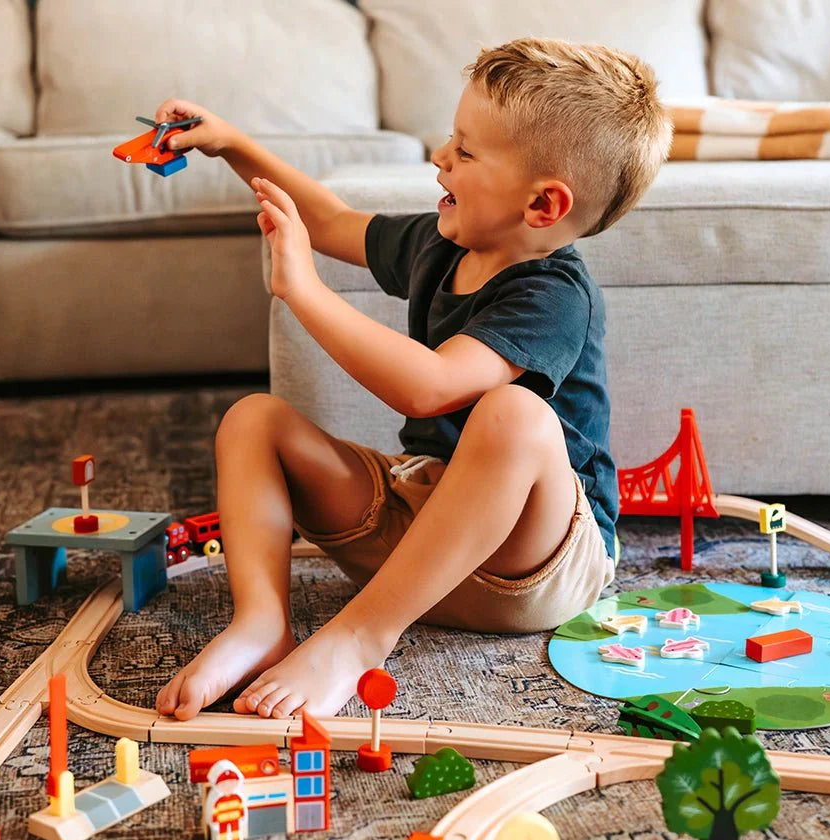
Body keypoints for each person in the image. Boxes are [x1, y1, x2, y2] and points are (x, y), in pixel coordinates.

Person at [155, 37, 673, 722]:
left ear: (543, 206)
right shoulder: (443, 241)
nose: (440, 158)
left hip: (537, 566)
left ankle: (359, 637)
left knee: (513, 415)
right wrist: (231, 144)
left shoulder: (554, 295)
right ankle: (261, 622)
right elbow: (334, 220)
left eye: (465, 150)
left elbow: (428, 386)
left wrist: (305, 291)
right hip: (424, 540)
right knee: (255, 419)